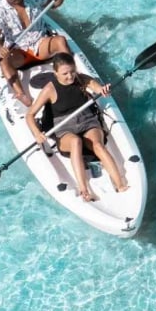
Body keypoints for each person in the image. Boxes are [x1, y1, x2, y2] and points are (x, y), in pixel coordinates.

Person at [25, 52, 129, 201]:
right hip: (63, 127)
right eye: (65, 73)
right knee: (76, 142)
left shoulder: (81, 79)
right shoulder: (49, 89)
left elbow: (97, 87)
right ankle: (84, 189)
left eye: (72, 71)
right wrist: (37, 133)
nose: (70, 76)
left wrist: (103, 90)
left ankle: (120, 185)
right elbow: (29, 115)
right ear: (55, 73)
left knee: (98, 145)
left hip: (87, 120)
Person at [0, 0, 71, 106]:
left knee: (60, 40)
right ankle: (21, 94)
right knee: (2, 59)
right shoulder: (0, 11)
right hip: (19, 53)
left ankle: (72, 75)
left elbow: (54, 3)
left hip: (40, 46)